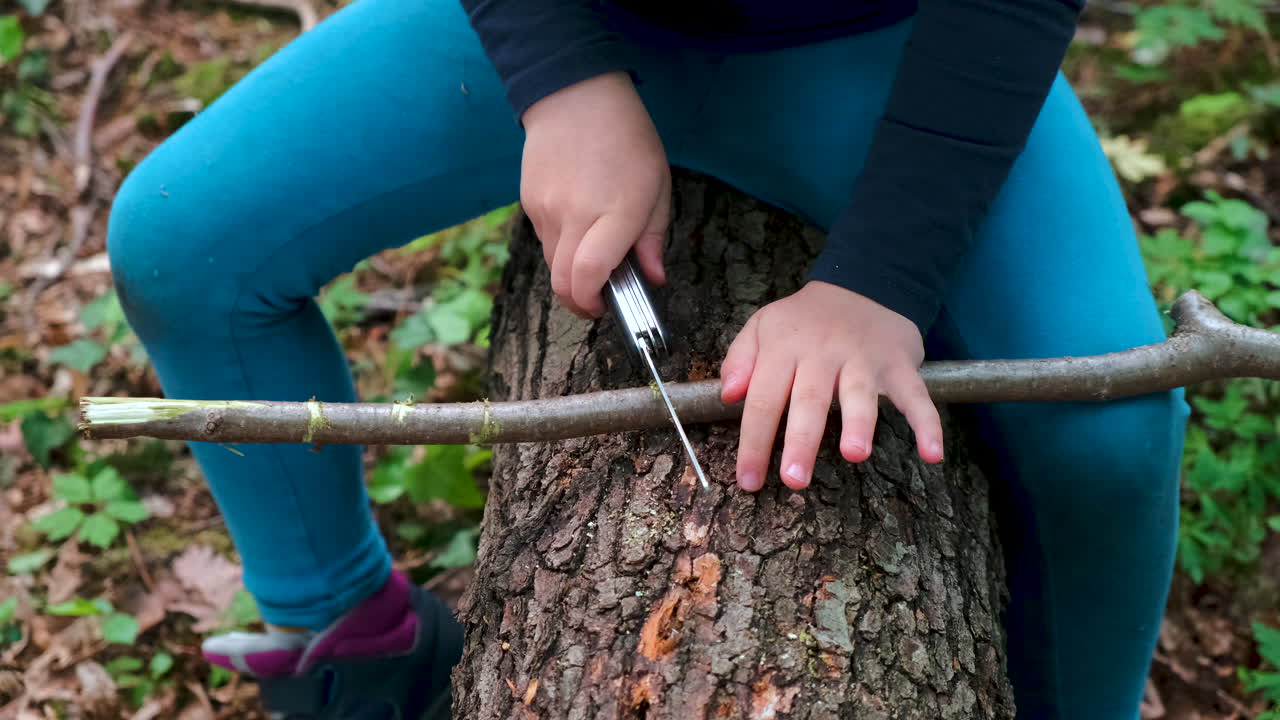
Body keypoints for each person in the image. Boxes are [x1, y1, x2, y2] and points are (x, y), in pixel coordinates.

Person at [105, 0, 1190, 717]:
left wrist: (877, 284)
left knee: (1115, 432)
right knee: (181, 242)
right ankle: (356, 657)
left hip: (883, 51)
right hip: (577, 25)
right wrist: (557, 77)